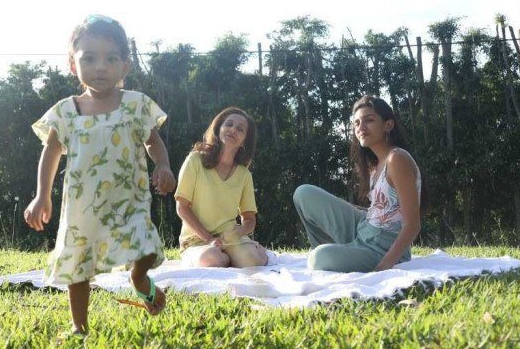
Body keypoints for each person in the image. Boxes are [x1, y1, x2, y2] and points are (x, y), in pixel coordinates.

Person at [24, 14, 176, 332]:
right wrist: (42, 195)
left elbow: (153, 141)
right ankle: (79, 326)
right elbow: (50, 152)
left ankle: (139, 278)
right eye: (89, 58)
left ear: (125, 66)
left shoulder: (136, 105)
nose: (100, 67)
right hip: (82, 207)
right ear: (72, 64)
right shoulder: (66, 112)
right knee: (78, 266)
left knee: (145, 248)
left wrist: (163, 165)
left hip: (128, 201)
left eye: (111, 58)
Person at [293, 95, 427, 272]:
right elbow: (384, 210)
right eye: (356, 123)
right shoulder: (376, 163)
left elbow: (413, 225)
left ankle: (334, 256)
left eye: (368, 120)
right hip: (363, 227)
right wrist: (347, 207)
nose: (361, 128)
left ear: (388, 125)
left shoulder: (397, 159)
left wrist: (384, 266)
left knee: (318, 258)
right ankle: (341, 254)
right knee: (304, 193)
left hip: (383, 247)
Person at [174, 107, 269, 268]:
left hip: (230, 241)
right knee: (212, 260)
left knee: (254, 260)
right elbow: (181, 208)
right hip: (197, 241)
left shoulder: (244, 175)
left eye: (240, 129)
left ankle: (250, 251)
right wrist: (210, 239)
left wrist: (236, 234)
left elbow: (249, 220)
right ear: (219, 129)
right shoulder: (195, 160)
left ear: (245, 140)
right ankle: (227, 258)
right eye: (229, 124)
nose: (233, 130)